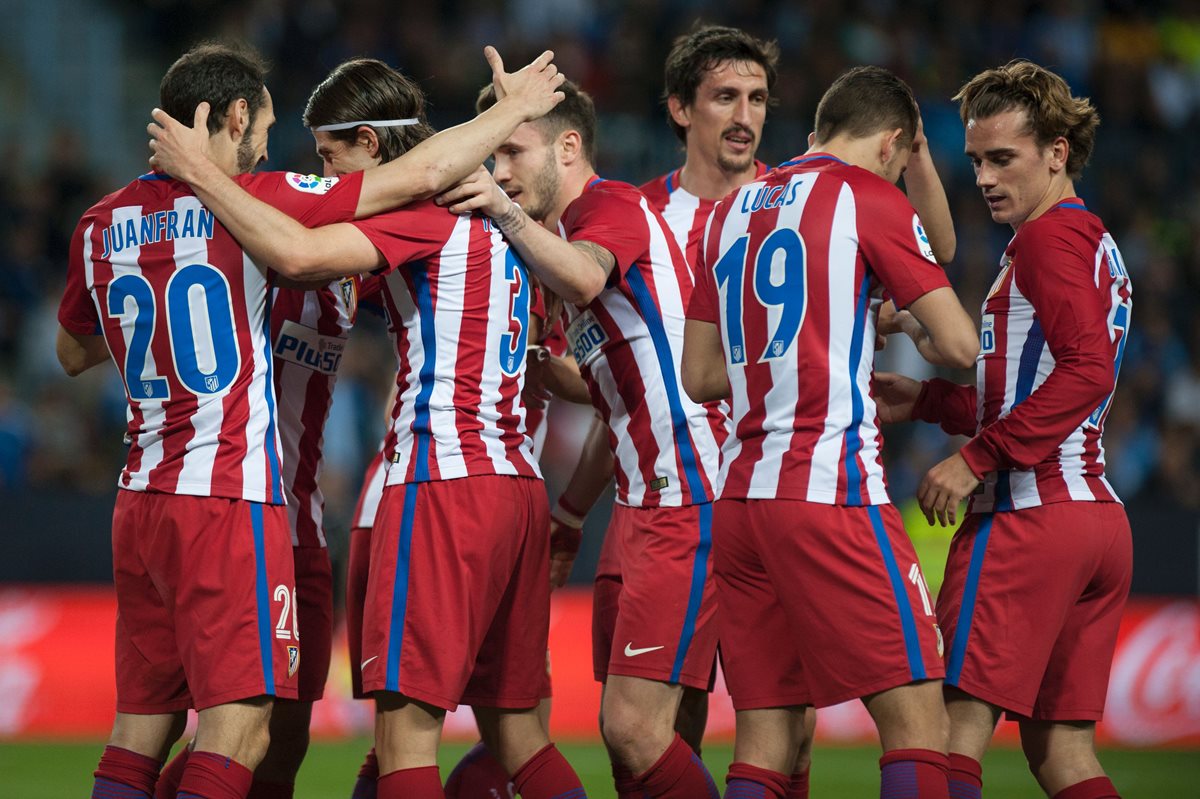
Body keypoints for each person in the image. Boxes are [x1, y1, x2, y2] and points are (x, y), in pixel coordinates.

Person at [147, 50, 586, 799]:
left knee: (403, 739)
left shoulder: (429, 210)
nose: (326, 178)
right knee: (517, 732)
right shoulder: (514, 221)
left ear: (372, 145)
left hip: (441, 479)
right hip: (518, 487)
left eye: (331, 157)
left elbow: (297, 251)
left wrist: (199, 175)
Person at [678, 65, 979, 799]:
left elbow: (701, 377)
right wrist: (902, 317)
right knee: (918, 721)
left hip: (743, 502)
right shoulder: (869, 197)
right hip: (829, 488)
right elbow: (963, 350)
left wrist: (834, 323)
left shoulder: (729, 210)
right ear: (894, 146)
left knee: (766, 735)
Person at [441, 79, 722, 799]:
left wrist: (501, 212)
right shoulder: (562, 242)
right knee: (645, 744)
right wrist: (569, 514)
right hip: (637, 504)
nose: (498, 169)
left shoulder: (611, 208)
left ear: (568, 147)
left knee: (633, 729)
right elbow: (612, 399)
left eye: (512, 150)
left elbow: (588, 280)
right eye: (492, 154)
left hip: (690, 492)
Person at [873, 60, 1133, 799]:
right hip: (1095, 520)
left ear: (1057, 151)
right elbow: (1032, 387)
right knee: (1063, 755)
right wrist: (927, 400)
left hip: (1029, 517)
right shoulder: (1091, 241)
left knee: (946, 735)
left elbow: (1085, 372)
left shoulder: (1048, 242)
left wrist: (977, 458)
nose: (984, 177)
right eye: (977, 160)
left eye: (1003, 159)